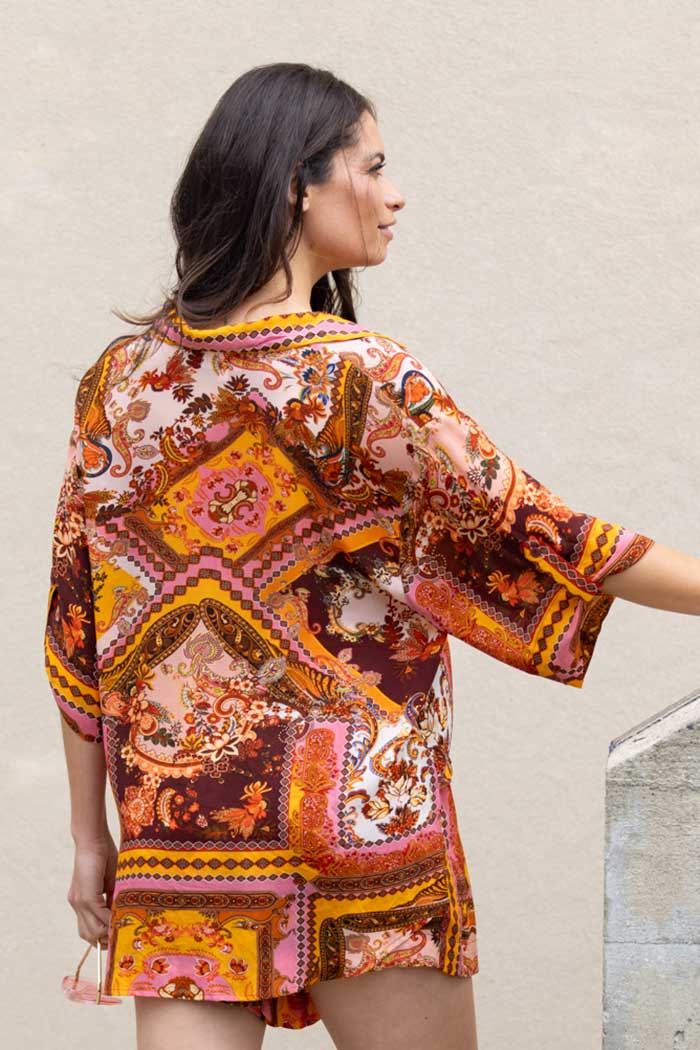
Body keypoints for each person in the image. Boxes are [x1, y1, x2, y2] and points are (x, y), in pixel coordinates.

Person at [43, 62, 699, 1050]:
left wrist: (90, 838)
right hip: (358, 809)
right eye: (375, 166)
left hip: (181, 829)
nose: (395, 195)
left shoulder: (119, 385)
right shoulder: (363, 375)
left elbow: (78, 627)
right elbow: (546, 533)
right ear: (296, 185)